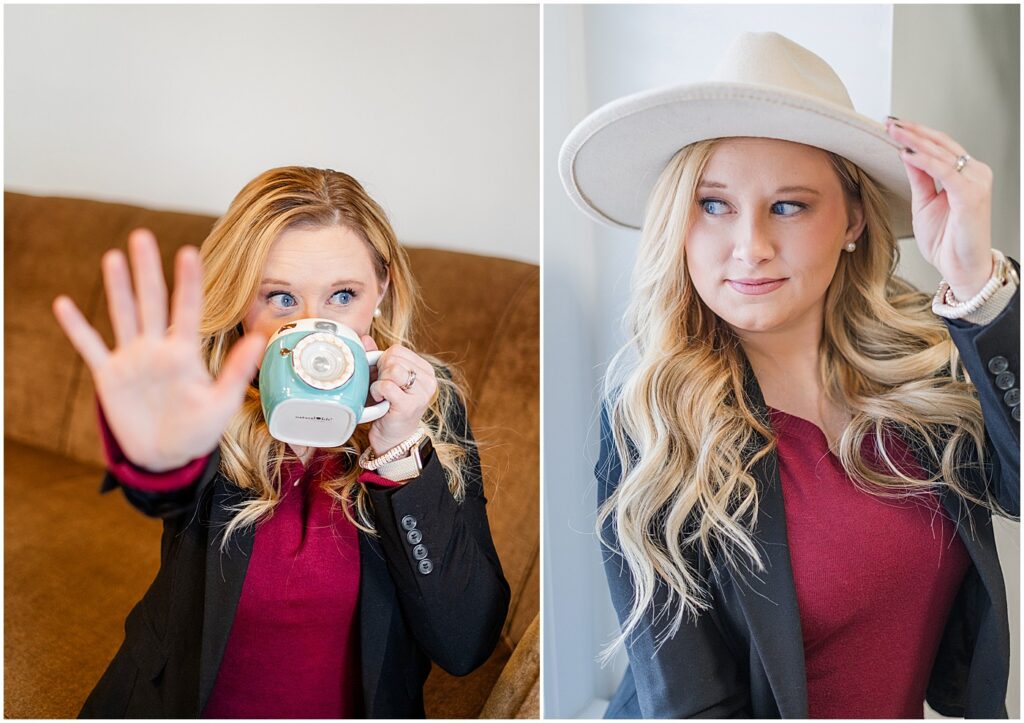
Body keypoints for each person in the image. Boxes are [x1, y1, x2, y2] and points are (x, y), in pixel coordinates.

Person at [559, 32, 1019, 718]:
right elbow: (690, 705)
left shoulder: (926, 361)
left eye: (789, 205)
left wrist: (976, 281)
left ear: (854, 219)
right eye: (713, 205)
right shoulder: (651, 420)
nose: (750, 247)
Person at [52, 166, 510, 718]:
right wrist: (155, 454)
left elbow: (465, 644)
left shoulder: (428, 405)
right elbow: (164, 487)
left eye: (344, 294)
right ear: (241, 302)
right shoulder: (207, 395)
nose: (314, 329)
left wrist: (397, 450)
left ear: (382, 289)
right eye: (281, 299)